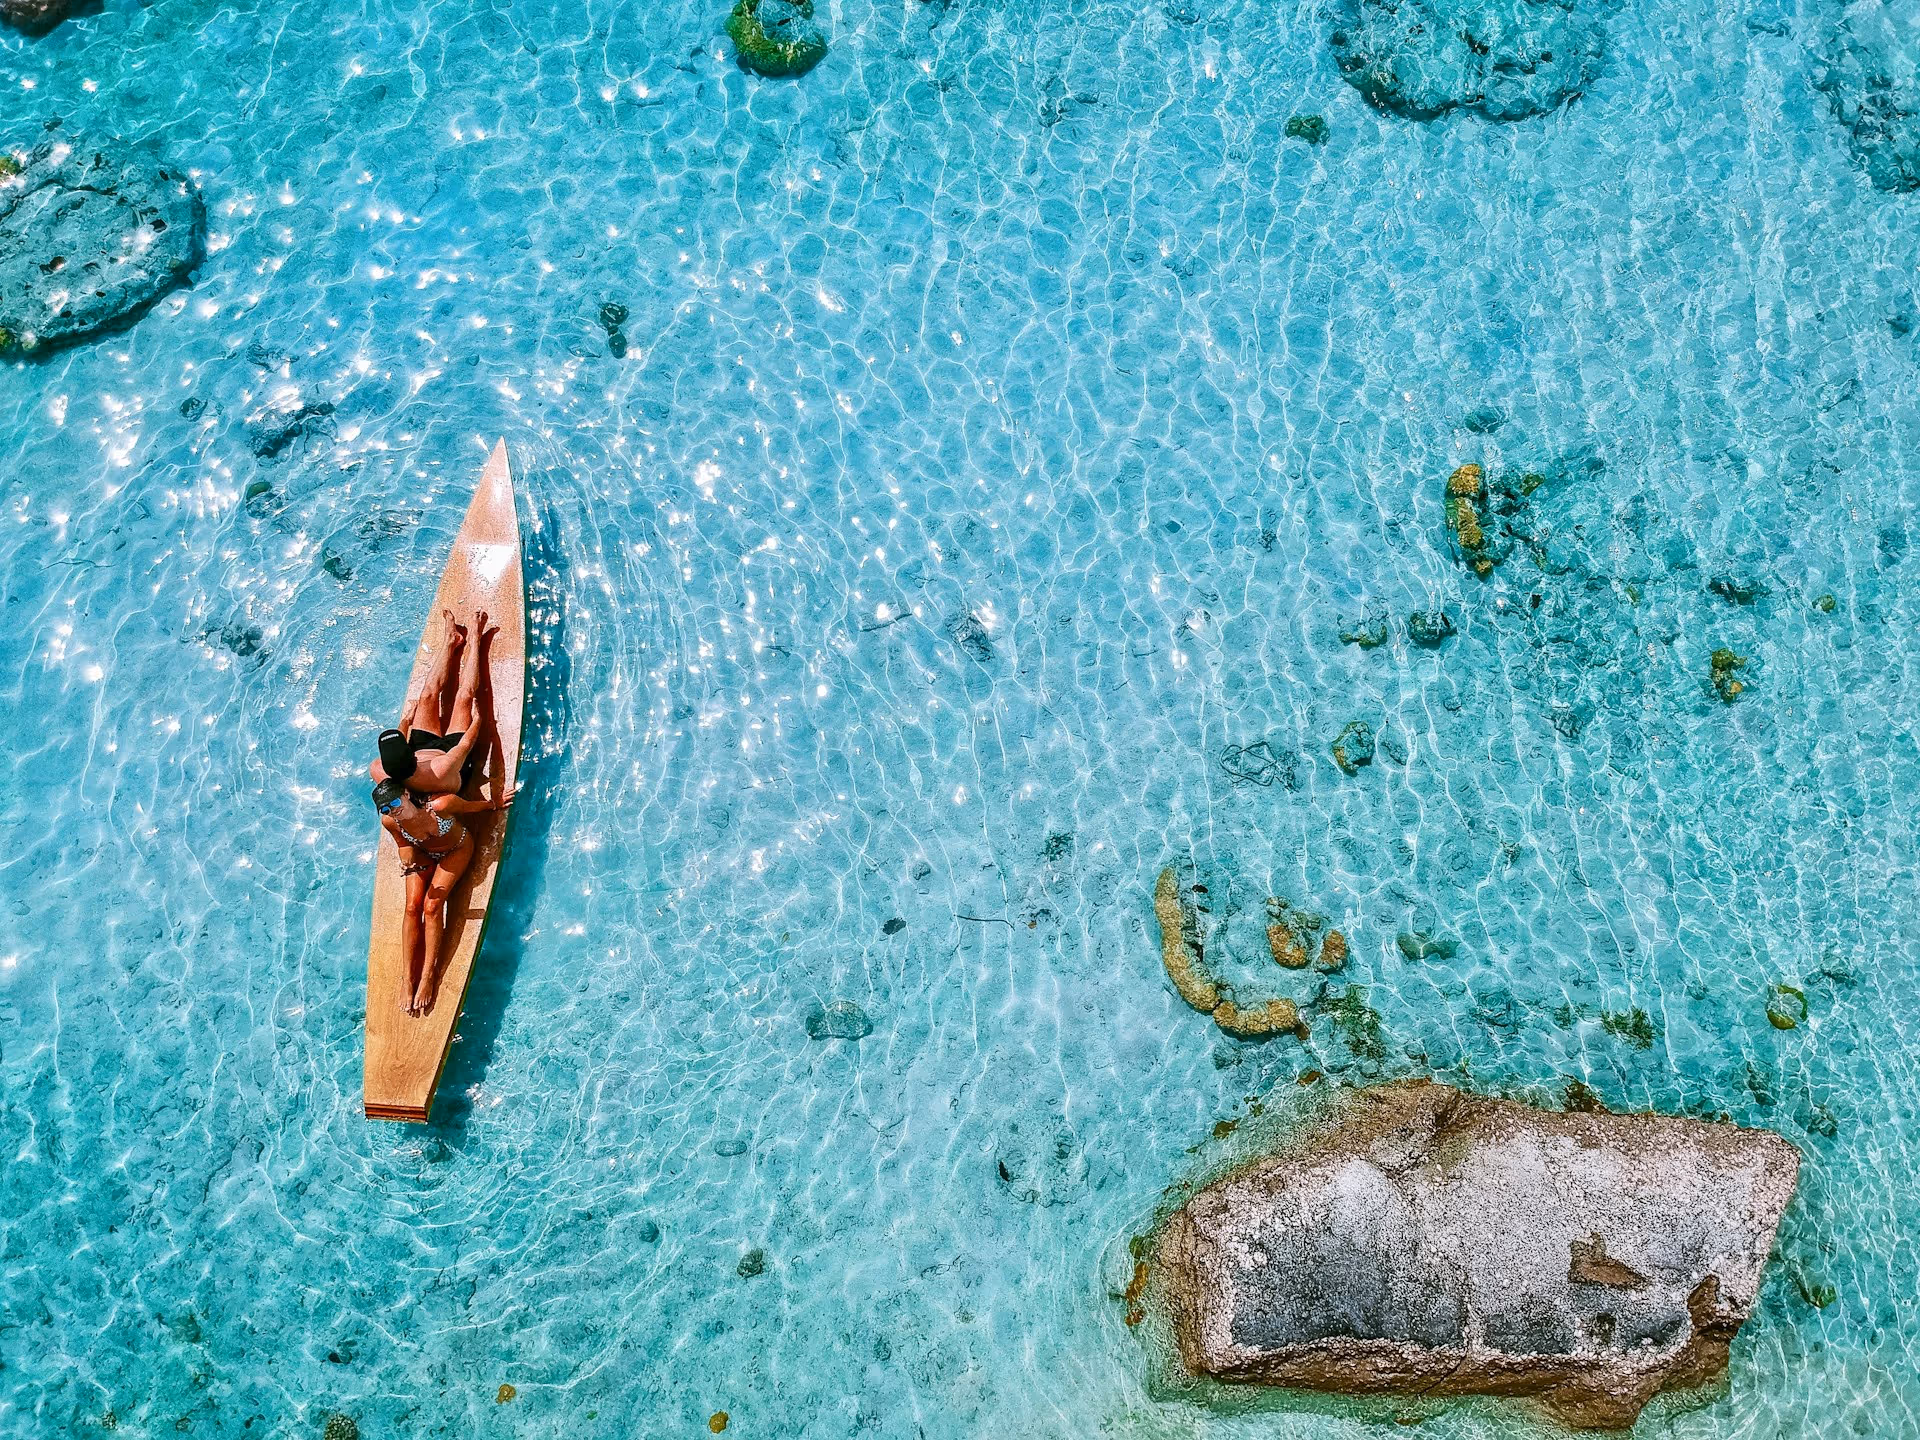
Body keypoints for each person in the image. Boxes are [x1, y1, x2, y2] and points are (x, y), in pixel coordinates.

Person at [372, 778, 516, 1014]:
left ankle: (428, 974)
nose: (393, 810)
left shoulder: (441, 805)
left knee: (432, 906)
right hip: (424, 854)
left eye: (395, 802)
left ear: (406, 793)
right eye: (386, 808)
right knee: (411, 908)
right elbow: (402, 844)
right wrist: (406, 859)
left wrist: (494, 803)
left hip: (456, 849)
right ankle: (407, 979)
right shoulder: (391, 821)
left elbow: (469, 807)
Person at [370, 609, 494, 796]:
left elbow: (399, 739)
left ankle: (451, 639)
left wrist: (407, 718)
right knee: (464, 697)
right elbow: (466, 744)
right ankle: (476, 639)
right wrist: (477, 719)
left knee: (427, 695)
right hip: (452, 756)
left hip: (423, 749)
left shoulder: (380, 768)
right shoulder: (441, 769)